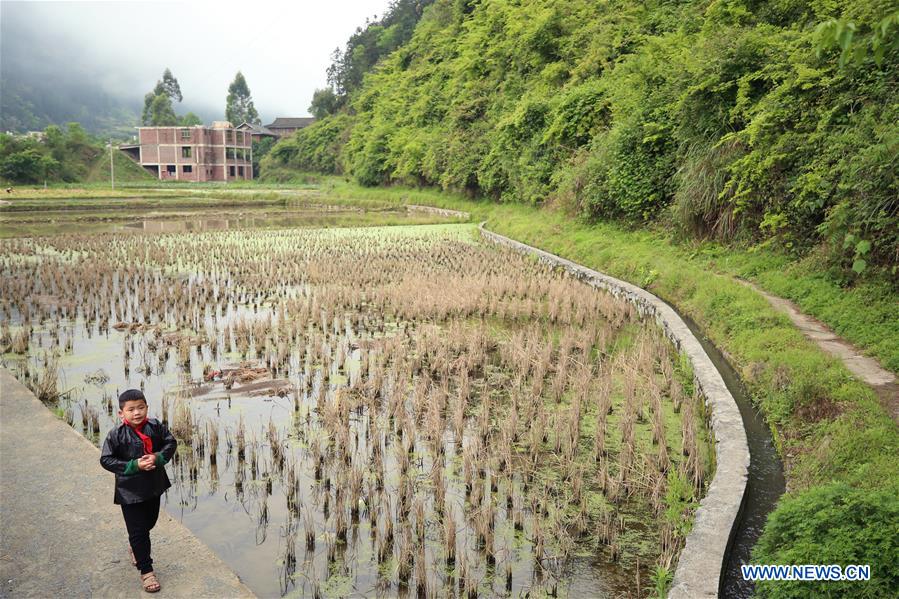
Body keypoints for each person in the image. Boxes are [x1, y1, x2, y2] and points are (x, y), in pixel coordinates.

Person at [100, 389, 177, 593]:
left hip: (153, 486)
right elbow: (106, 459)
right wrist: (134, 465)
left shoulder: (155, 426)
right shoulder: (116, 435)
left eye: (141, 408)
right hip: (129, 492)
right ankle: (147, 571)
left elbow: (170, 442)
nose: (137, 413)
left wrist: (157, 457)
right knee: (138, 531)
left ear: (147, 408)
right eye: (131, 409)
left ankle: (136, 547)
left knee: (149, 522)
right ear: (121, 413)